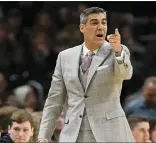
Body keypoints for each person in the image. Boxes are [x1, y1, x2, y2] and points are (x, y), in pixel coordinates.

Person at [38, 7, 134, 142]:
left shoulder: (118, 51)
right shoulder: (65, 57)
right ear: (82, 28)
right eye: (94, 23)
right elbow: (54, 100)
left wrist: (118, 51)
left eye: (104, 22)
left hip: (110, 133)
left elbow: (126, 74)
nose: (101, 27)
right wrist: (43, 136)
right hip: (73, 134)